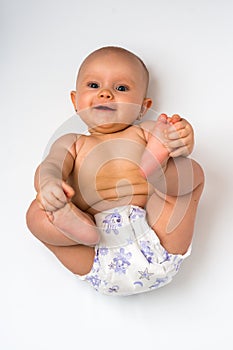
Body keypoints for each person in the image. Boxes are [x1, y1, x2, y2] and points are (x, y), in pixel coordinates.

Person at [26, 46, 204, 296]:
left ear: (144, 107)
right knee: (37, 214)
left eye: (121, 88)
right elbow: (52, 164)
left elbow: (178, 146)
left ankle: (156, 168)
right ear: (75, 101)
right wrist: (49, 183)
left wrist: (179, 138)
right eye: (94, 85)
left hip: (157, 234)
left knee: (186, 169)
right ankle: (76, 227)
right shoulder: (72, 143)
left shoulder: (148, 131)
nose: (106, 94)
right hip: (95, 254)